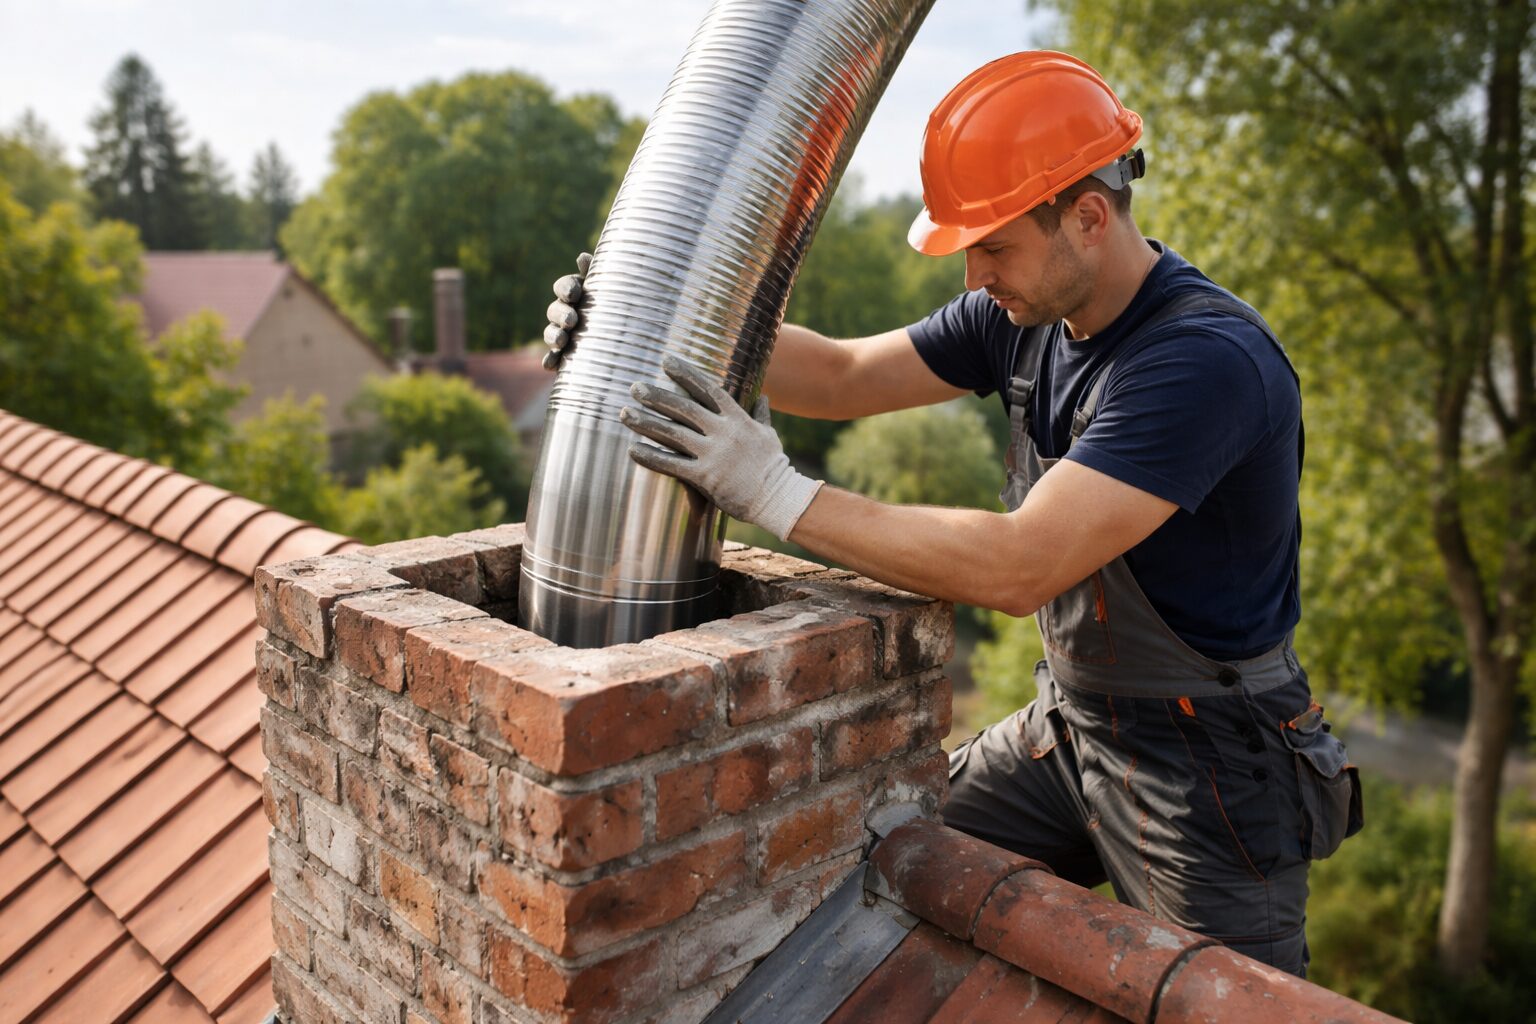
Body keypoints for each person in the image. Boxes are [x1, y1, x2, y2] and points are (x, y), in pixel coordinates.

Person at [543, 50, 1361, 976]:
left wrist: (772, 491)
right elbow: (844, 375)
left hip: (1210, 771)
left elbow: (1019, 565)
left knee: (1227, 1003)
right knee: (862, 862)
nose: (974, 277)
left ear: (1089, 217)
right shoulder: (1022, 315)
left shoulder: (1201, 363)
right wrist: (653, 321)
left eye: (994, 246)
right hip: (1071, 730)